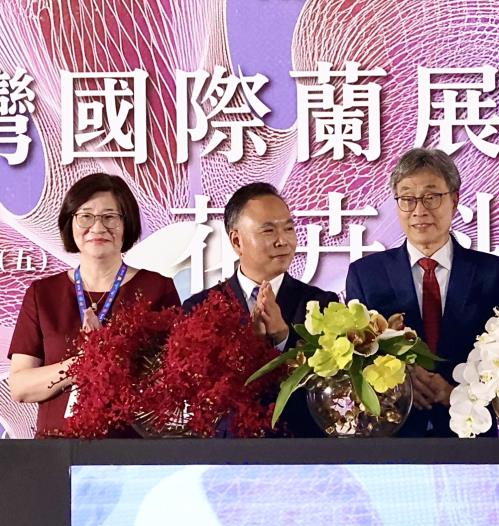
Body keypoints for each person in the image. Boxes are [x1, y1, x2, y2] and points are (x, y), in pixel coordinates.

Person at [346, 148, 499, 436]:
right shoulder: (366, 275)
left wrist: (454, 394)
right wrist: (403, 379)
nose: (419, 210)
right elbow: (355, 358)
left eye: (431, 197)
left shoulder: (495, 274)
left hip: (469, 436)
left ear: (454, 200)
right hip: (393, 434)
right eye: (407, 199)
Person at [8, 173, 180, 436]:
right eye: (86, 216)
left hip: (131, 446)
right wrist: (83, 363)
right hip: (56, 447)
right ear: (71, 223)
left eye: (110, 217)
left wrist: (113, 360)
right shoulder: (42, 293)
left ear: (127, 223)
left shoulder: (157, 289)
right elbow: (20, 387)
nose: (98, 227)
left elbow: (172, 381)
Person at [182, 182, 338, 436]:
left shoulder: (322, 304)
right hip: (228, 449)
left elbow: (329, 388)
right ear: (237, 241)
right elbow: (197, 392)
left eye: (289, 228)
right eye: (268, 231)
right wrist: (248, 348)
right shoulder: (200, 308)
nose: (283, 241)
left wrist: (283, 339)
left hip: (301, 447)